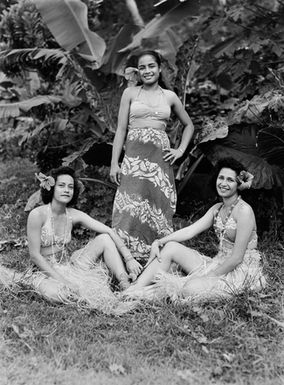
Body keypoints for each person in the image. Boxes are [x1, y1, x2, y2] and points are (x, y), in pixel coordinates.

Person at [124, 158, 266, 301]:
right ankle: (133, 289)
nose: (223, 183)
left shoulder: (244, 211)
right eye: (221, 178)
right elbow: (190, 231)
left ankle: (151, 294)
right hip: (219, 262)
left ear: (238, 185)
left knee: (190, 288)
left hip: (239, 271)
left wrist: (208, 276)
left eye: (230, 180)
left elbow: (236, 258)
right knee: (171, 247)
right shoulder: (217, 209)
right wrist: (159, 241)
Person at [2, 166, 135, 314]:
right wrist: (64, 281)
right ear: (51, 188)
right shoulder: (37, 215)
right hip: (44, 272)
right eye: (61, 185)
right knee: (57, 294)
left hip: (69, 266)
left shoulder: (73, 214)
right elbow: (35, 256)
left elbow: (108, 230)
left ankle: (126, 287)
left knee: (104, 239)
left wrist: (129, 258)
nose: (66, 190)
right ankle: (67, 288)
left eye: (70, 187)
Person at [110, 50, 194, 276]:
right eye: (143, 67)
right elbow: (120, 130)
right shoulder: (130, 93)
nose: (147, 71)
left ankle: (156, 263)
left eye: (151, 66)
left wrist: (180, 150)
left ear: (159, 68)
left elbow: (189, 125)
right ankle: (124, 260)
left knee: (157, 209)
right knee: (129, 207)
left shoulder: (170, 96)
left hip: (159, 163)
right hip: (134, 160)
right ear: (138, 71)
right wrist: (114, 164)